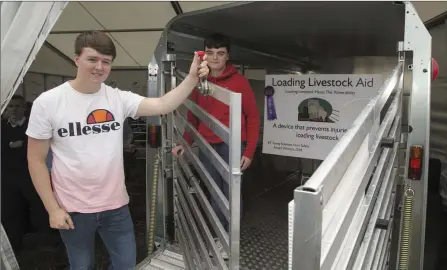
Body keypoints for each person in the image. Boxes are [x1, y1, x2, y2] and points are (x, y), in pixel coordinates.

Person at [25, 30, 209, 269]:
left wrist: (193, 77)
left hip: (115, 207)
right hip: (73, 209)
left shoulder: (117, 99)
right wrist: (53, 209)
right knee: (81, 266)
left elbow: (163, 104)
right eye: (92, 59)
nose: (99, 67)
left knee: (125, 265)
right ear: (76, 59)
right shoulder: (48, 102)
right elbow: (36, 160)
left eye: (106, 62)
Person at [172, 33, 260, 259]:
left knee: (232, 194)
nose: (215, 57)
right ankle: (218, 235)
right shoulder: (199, 81)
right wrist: (185, 142)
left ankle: (231, 241)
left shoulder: (240, 82)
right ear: (204, 54)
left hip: (233, 146)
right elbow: (193, 116)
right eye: (210, 53)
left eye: (220, 53)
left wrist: (249, 151)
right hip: (207, 145)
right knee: (214, 191)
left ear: (227, 56)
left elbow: (252, 117)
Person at [1, 95, 50, 254]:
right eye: (10, 107)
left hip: (30, 176)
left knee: (39, 208)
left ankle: (45, 242)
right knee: (10, 211)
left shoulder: (32, 127)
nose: (14, 109)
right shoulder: (2, 127)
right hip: (7, 178)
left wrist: (19, 146)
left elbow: (40, 148)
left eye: (17, 106)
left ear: (24, 108)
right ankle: (15, 245)